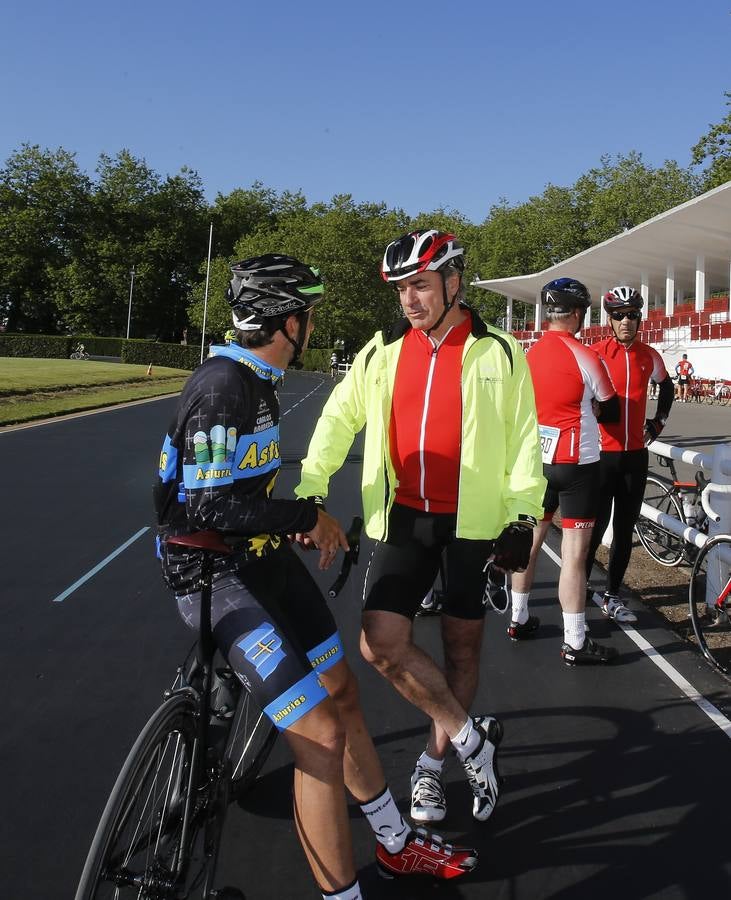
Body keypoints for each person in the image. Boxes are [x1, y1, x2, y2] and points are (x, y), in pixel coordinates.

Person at [154, 254, 478, 900]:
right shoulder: (223, 386)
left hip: (258, 556)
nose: (310, 324)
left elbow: (245, 497)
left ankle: (394, 843)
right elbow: (210, 507)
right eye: (306, 314)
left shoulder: (259, 380)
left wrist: (297, 520)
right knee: (321, 735)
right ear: (286, 322)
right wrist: (308, 515)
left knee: (342, 690)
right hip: (212, 573)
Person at [295, 229, 545, 826]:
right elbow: (339, 418)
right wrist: (311, 487)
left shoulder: (500, 351)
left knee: (462, 646)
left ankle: (431, 768)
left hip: (472, 524)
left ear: (453, 283)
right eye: (402, 288)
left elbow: (524, 440)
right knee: (379, 643)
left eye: (421, 285)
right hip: (402, 518)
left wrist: (523, 513)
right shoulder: (381, 350)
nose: (410, 299)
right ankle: (471, 740)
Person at [509, 278, 620, 666]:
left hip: (537, 462)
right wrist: (593, 408)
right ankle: (575, 640)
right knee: (573, 556)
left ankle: (518, 618)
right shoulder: (585, 355)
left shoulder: (528, 354)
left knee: (530, 543)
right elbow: (612, 408)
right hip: (577, 464)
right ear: (575, 314)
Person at [585, 286, 674, 621]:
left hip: (635, 456)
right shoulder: (594, 353)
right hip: (601, 457)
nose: (626, 321)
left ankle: (611, 595)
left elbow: (667, 386)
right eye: (619, 315)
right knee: (594, 529)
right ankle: (579, 587)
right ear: (609, 319)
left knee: (625, 530)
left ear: (640, 318)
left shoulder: (648, 355)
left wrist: (659, 422)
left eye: (632, 314)